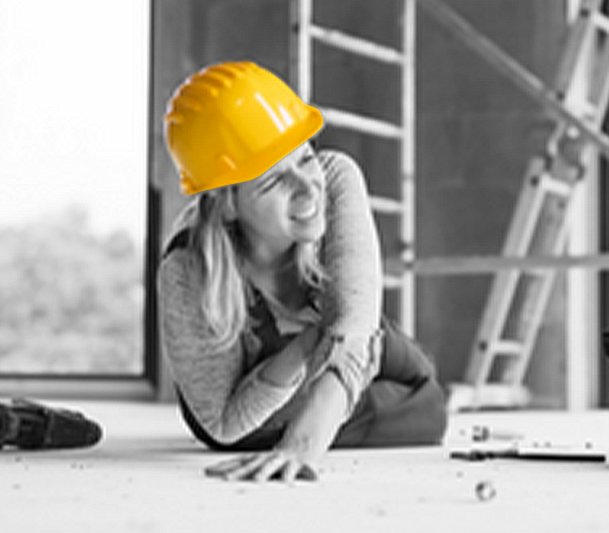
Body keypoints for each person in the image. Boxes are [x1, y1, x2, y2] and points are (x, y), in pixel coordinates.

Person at [159, 61, 447, 482]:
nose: (309, 187)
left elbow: (351, 329)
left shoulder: (335, 179)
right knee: (253, 433)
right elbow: (223, 425)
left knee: (426, 404)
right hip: (276, 384)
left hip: (363, 341)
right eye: (274, 181)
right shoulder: (188, 271)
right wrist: (307, 346)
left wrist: (303, 444)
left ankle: (337, 394)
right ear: (228, 203)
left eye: (305, 158)